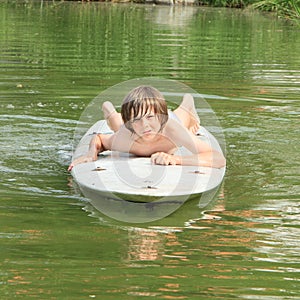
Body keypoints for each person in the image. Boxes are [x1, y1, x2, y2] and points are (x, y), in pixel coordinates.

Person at [68, 85, 225, 171]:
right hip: (130, 132)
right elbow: (100, 140)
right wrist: (91, 154)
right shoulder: (125, 135)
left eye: (150, 118)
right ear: (130, 123)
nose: (145, 126)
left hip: (169, 124)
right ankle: (109, 110)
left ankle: (188, 102)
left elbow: (218, 159)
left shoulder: (172, 128)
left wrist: (175, 159)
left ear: (161, 117)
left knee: (182, 117)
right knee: (118, 125)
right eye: (137, 120)